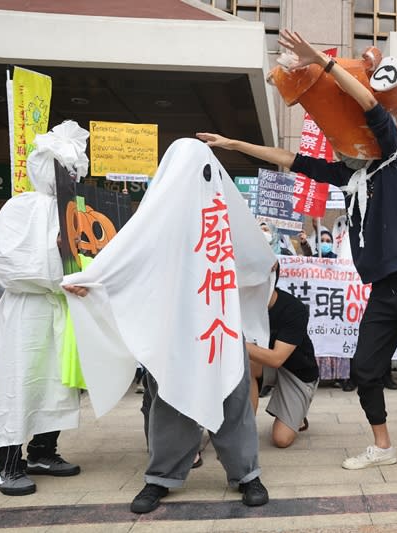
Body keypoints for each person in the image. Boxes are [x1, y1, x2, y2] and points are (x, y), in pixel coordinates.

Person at [197, 28, 397, 493]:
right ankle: (382, 445)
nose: (337, 147)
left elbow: (370, 104)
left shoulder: (392, 152)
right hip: (382, 285)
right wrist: (235, 145)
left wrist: (320, 63)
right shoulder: (350, 175)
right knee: (364, 368)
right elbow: (292, 159)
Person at [62, 138, 272, 514]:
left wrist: (264, 267)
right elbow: (126, 257)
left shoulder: (225, 210)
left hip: (222, 325)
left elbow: (253, 254)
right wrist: (94, 282)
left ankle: (247, 474)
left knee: (234, 399)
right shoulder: (156, 215)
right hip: (173, 328)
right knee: (170, 401)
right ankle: (160, 478)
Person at [0, 121, 88, 496]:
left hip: (60, 310)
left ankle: (43, 451)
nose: (72, 176)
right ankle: (7, 463)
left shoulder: (78, 209)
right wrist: (56, 257)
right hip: (27, 312)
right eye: (66, 169)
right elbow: (6, 263)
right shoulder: (21, 207)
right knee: (21, 381)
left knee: (57, 384)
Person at [247, 262, 318, 448]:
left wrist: (236, 342)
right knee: (247, 366)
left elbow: (277, 359)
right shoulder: (241, 306)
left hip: (298, 373)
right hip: (264, 366)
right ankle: (244, 433)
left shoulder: (294, 308)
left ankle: (298, 415)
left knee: (281, 440)